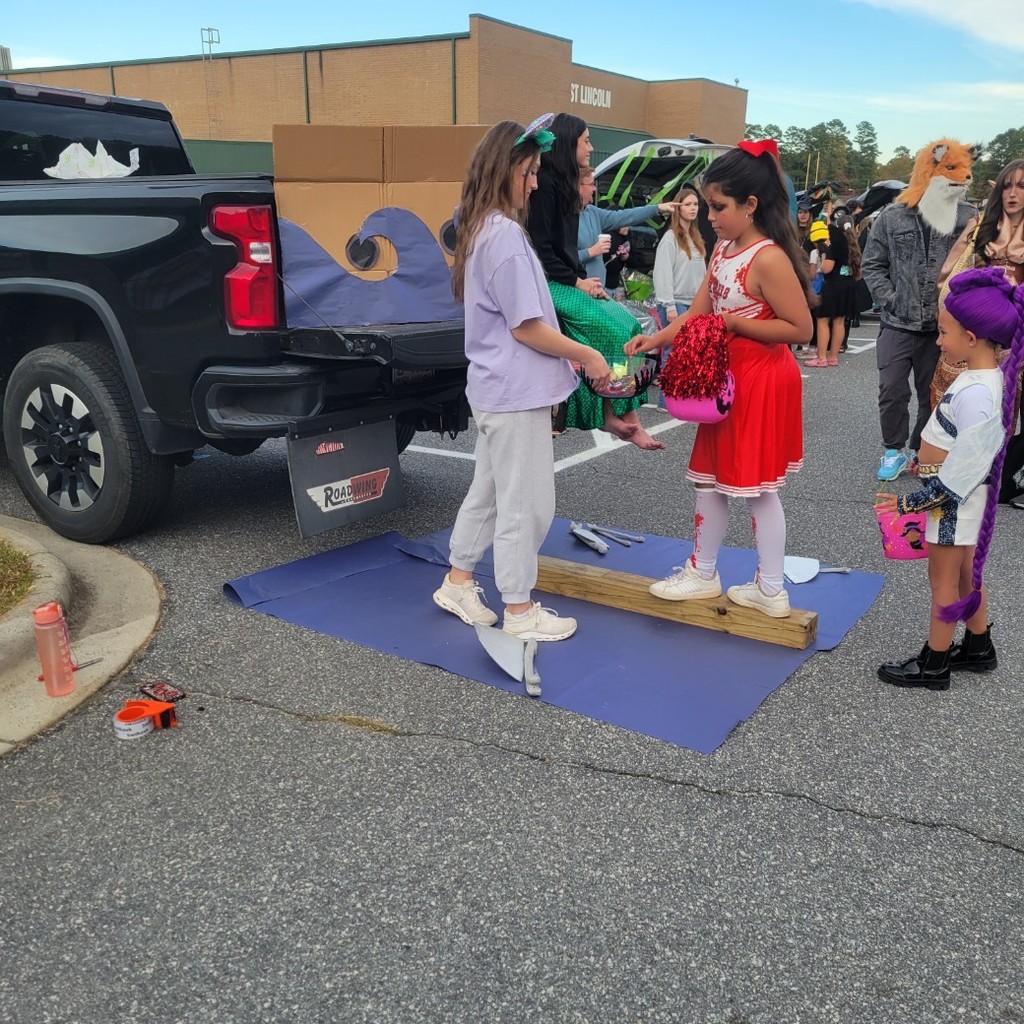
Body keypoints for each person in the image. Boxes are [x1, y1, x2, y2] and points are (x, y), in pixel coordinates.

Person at [432, 116, 611, 643]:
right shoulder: (505, 236)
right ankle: (519, 608)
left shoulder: (482, 227)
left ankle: (459, 580)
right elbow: (527, 325)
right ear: (505, 170)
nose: (535, 182)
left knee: (489, 493)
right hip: (514, 394)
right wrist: (587, 355)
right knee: (525, 504)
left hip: (497, 390)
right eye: (529, 171)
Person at [626, 140, 814, 617]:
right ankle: (707, 573)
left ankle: (768, 588)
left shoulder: (768, 258)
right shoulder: (725, 250)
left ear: (751, 205)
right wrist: (655, 339)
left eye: (719, 207)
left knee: (755, 488)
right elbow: (696, 313)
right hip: (727, 379)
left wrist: (736, 324)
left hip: (760, 378)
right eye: (708, 205)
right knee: (711, 481)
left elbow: (800, 329)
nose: (709, 215)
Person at [876, 267, 1024, 689]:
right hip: (961, 500)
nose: (938, 341)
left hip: (953, 503)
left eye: (944, 333)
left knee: (943, 582)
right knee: (964, 576)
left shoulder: (978, 392)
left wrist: (904, 504)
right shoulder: (985, 381)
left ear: (971, 338)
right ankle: (978, 646)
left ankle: (934, 663)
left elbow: (959, 477)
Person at [526, 113, 664, 450]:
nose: (591, 146)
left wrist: (583, 281)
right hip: (548, 284)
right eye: (586, 140)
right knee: (613, 330)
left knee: (630, 325)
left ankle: (623, 415)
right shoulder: (543, 185)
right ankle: (612, 416)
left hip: (568, 280)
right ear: (568, 143)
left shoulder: (562, 186)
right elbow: (542, 249)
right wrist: (577, 281)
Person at [861, 138, 979, 483]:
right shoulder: (893, 217)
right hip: (897, 322)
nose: (963, 178)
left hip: (944, 327)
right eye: (952, 170)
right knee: (892, 389)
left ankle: (922, 450)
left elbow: (976, 265)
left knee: (935, 393)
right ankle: (893, 450)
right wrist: (891, 298)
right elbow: (873, 264)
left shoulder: (970, 217)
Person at [934, 158, 1024, 505]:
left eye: (1021, 186)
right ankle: (957, 470)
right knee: (965, 396)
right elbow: (951, 278)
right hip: (979, 330)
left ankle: (1005, 474)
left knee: (1011, 405)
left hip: (1019, 329)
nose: (1013, 193)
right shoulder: (979, 228)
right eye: (1007, 185)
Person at [576, 167, 676, 288]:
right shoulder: (565, 218)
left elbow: (626, 216)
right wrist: (591, 252)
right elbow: (559, 260)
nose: (595, 188)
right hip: (579, 295)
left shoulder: (593, 212)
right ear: (578, 186)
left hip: (599, 292)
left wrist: (657, 208)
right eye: (591, 184)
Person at [802, 216, 864, 367]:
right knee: (839, 321)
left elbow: (827, 268)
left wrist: (822, 264)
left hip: (833, 285)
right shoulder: (852, 244)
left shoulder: (834, 243)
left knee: (823, 320)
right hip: (848, 285)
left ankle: (821, 358)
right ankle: (833, 357)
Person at [652, 186, 707, 325]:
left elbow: (702, 273)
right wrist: (669, 306)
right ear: (678, 208)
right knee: (673, 347)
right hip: (676, 304)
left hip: (695, 304)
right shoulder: (670, 238)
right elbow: (663, 274)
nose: (693, 208)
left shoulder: (697, 238)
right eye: (687, 204)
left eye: (695, 204)